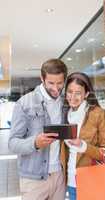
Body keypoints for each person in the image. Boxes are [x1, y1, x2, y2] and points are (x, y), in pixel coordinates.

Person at [8, 58, 68, 200]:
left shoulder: (66, 102)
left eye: (60, 83)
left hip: (59, 175)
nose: (55, 88)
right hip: (34, 179)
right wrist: (35, 143)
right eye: (51, 83)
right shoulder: (24, 103)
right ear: (42, 78)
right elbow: (12, 143)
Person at [61, 72, 105, 200]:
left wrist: (83, 146)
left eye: (78, 93)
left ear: (86, 94)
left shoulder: (98, 114)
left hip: (92, 180)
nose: (72, 97)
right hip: (70, 182)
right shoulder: (63, 114)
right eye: (69, 92)